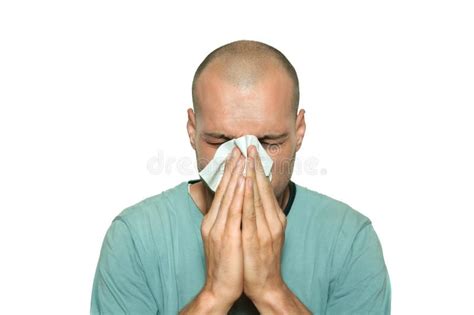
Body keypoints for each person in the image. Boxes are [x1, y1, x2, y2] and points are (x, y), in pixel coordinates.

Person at [91, 39, 391, 314]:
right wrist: (215, 294)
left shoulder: (350, 239)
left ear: (298, 132)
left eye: (269, 142)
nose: (246, 164)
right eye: (220, 143)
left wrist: (271, 290)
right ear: (192, 130)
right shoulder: (134, 237)